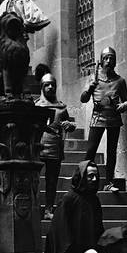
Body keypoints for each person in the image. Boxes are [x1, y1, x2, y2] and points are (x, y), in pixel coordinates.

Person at [80, 46, 127, 190]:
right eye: (106, 58)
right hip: (98, 118)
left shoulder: (120, 81)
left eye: (111, 58)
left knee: (111, 152)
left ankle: (109, 182)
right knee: (90, 151)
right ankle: (82, 179)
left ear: (115, 61)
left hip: (114, 119)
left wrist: (126, 105)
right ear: (101, 60)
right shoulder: (94, 78)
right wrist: (90, 88)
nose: (108, 61)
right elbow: (83, 99)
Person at [45, 160, 103, 253]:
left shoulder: (95, 201)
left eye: (96, 176)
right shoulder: (69, 199)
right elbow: (60, 231)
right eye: (90, 176)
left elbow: (98, 229)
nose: (94, 179)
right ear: (81, 177)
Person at [35, 73, 77, 220]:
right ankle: (34, 207)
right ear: (42, 87)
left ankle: (48, 209)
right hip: (38, 146)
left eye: (53, 84)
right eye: (47, 84)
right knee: (34, 180)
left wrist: (70, 126)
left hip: (55, 148)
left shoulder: (61, 108)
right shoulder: (36, 106)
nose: (51, 87)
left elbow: (70, 125)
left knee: (52, 181)